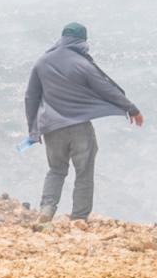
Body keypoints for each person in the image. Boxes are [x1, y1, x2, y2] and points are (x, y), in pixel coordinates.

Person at [24, 21, 142, 222]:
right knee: (84, 173)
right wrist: (131, 109)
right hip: (80, 128)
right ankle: (79, 218)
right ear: (82, 41)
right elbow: (106, 88)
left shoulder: (42, 62)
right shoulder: (83, 64)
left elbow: (31, 97)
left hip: (52, 128)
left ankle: (46, 210)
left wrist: (33, 130)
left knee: (56, 170)